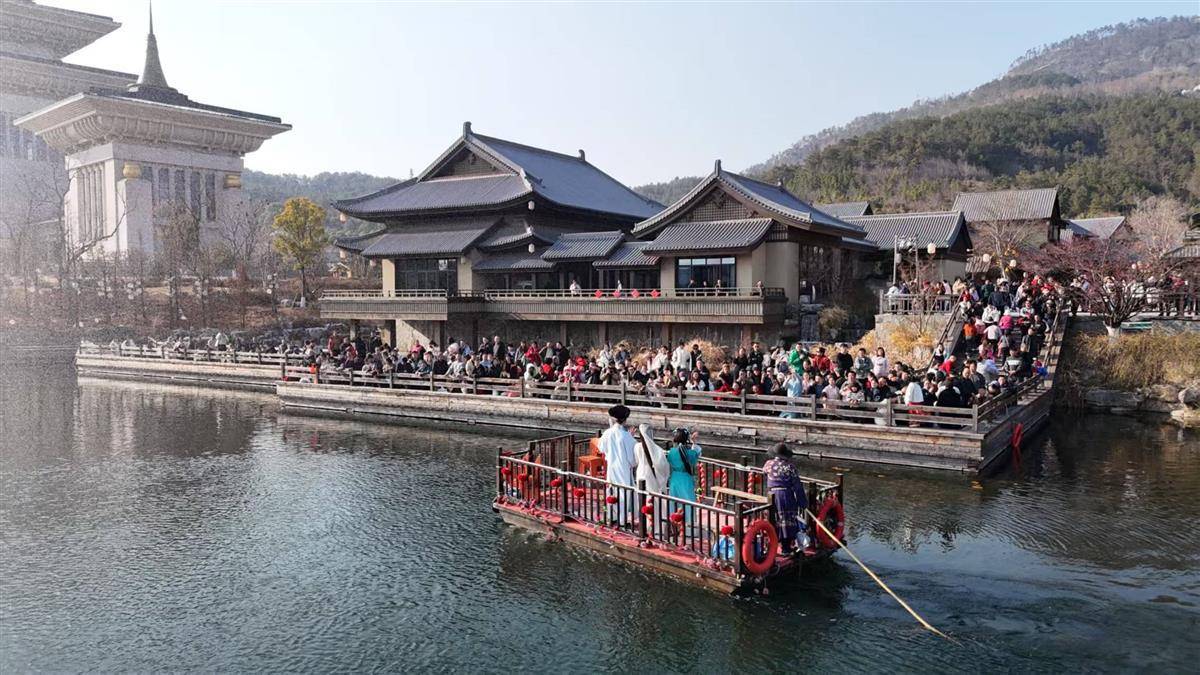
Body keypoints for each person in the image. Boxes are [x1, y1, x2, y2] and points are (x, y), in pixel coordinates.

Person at [763, 443, 808, 554]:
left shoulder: (768, 464)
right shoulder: (790, 467)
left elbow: (765, 474)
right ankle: (786, 548)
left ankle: (772, 544)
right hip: (785, 495)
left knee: (774, 518)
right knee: (787, 520)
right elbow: (797, 486)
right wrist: (802, 502)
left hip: (772, 494)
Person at [600, 405, 638, 524]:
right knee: (623, 493)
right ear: (625, 420)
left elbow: (601, 448)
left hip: (612, 465)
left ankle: (611, 517)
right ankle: (622, 521)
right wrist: (633, 464)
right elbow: (632, 457)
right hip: (623, 467)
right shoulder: (626, 436)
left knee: (611, 490)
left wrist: (610, 453)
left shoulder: (608, 432)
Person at [666, 428, 702, 524]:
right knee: (688, 501)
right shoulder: (688, 452)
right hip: (685, 478)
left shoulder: (671, 452)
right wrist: (694, 442)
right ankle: (689, 525)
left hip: (674, 478)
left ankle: (674, 523)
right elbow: (696, 454)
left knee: (674, 501)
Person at [633, 423, 671, 497]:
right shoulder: (657, 449)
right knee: (652, 495)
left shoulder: (637, 446)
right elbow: (662, 465)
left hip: (640, 471)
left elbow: (636, 460)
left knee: (641, 495)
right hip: (650, 474)